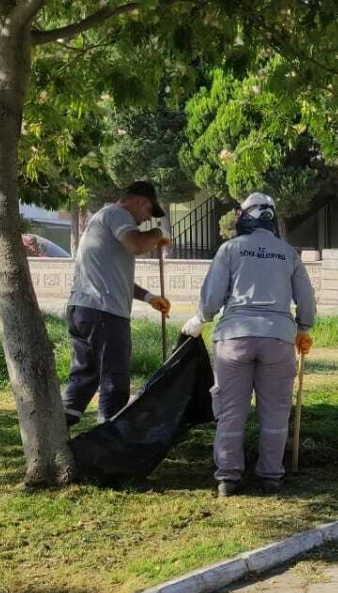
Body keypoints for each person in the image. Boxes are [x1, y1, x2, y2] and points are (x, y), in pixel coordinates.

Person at [181, 193, 316, 496]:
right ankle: (271, 476)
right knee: (276, 412)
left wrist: (200, 318)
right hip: (278, 339)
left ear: (244, 217)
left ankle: (228, 477)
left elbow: (213, 296)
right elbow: (306, 298)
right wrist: (304, 327)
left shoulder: (230, 249)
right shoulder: (288, 253)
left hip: (234, 339)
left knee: (230, 411)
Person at [62, 181, 173, 427]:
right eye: (148, 213)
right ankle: (111, 437)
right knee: (115, 380)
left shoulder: (103, 219)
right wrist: (156, 235)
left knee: (83, 378)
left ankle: (58, 434)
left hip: (85, 309)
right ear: (141, 202)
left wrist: (149, 298)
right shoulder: (117, 214)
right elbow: (137, 244)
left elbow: (115, 279)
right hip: (105, 314)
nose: (145, 220)